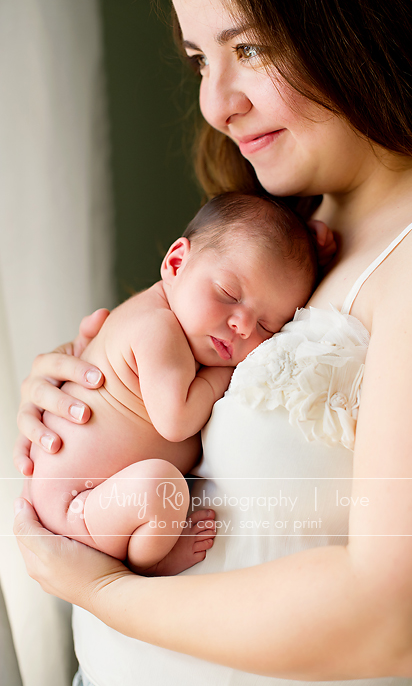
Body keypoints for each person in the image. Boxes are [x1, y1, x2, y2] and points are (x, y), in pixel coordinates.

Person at [13, 0, 412, 685]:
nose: (216, 105)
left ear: (358, 27)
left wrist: (104, 592)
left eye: (248, 49)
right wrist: (71, 390)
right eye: (200, 60)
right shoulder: (273, 235)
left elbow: (400, 624)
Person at [24, 191, 317, 576]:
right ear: (177, 263)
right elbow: (176, 421)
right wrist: (221, 377)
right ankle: (150, 565)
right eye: (229, 294)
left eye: (267, 326)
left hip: (91, 498)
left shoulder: (171, 319)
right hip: (78, 504)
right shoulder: (157, 327)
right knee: (160, 488)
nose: (243, 325)